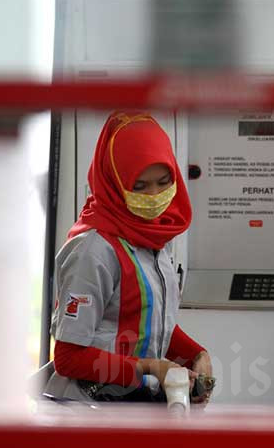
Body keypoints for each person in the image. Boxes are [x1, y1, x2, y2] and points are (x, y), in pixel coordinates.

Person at [43, 112, 212, 405]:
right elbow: (68, 359)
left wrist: (196, 355)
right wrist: (150, 367)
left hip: (132, 402)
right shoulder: (93, 251)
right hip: (89, 409)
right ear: (115, 183)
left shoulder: (154, 240)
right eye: (139, 186)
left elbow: (147, 326)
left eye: (163, 182)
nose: (155, 195)